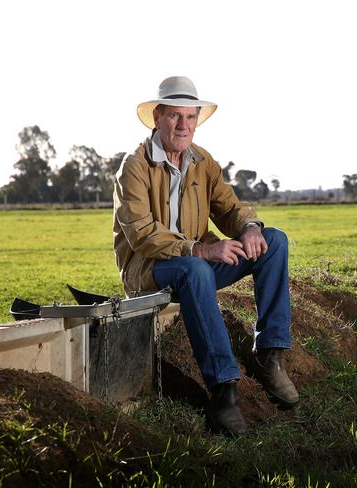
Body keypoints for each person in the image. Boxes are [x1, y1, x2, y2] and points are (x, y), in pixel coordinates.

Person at [113, 76, 298, 435]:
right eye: (174, 117)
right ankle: (223, 390)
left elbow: (230, 208)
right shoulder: (134, 166)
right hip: (151, 271)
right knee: (196, 269)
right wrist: (199, 249)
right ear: (157, 117)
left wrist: (248, 227)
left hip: (196, 264)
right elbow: (142, 235)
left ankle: (270, 354)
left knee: (274, 241)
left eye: (191, 117)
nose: (184, 126)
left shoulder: (202, 162)